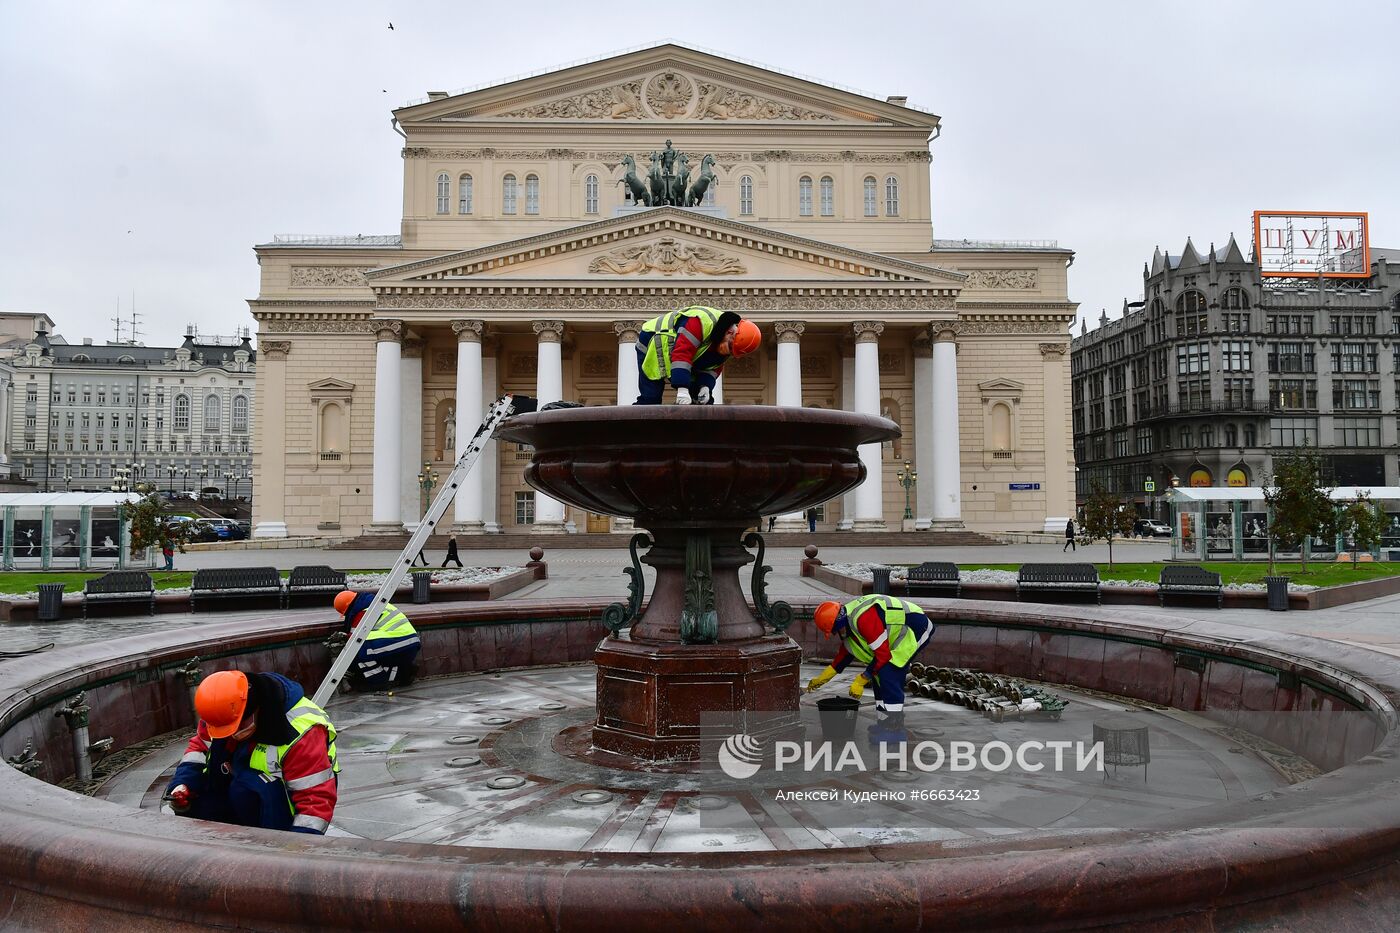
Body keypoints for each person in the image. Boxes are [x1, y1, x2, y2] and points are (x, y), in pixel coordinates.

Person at [165, 670, 338, 834]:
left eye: (236, 727)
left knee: (246, 790)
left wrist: (296, 851)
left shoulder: (302, 733)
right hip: (241, 788)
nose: (231, 734)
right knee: (204, 798)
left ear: (255, 709)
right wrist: (182, 785)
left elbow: (315, 802)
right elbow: (198, 750)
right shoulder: (221, 711)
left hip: (279, 803)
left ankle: (267, 840)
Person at [806, 596, 935, 744]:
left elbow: (883, 655)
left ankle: (895, 730)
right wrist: (821, 679)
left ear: (839, 623)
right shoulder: (849, 624)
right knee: (878, 675)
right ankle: (884, 723)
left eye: (835, 630)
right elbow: (842, 658)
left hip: (916, 629)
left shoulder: (864, 619)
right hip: (900, 634)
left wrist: (862, 679)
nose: (836, 634)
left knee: (889, 672)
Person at [634, 306, 761, 405]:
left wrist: (705, 386)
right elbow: (682, 354)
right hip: (652, 342)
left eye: (732, 352)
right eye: (730, 347)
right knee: (651, 397)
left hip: (680, 355)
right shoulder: (699, 323)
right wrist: (682, 389)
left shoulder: (723, 342)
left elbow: (712, 368)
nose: (727, 352)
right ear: (729, 332)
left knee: (701, 401)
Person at [333, 590, 421, 690]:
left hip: (398, 640)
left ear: (348, 608)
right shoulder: (376, 603)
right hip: (410, 642)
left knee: (358, 650)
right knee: (379, 658)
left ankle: (379, 682)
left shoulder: (362, 612)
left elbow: (354, 639)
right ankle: (404, 672)